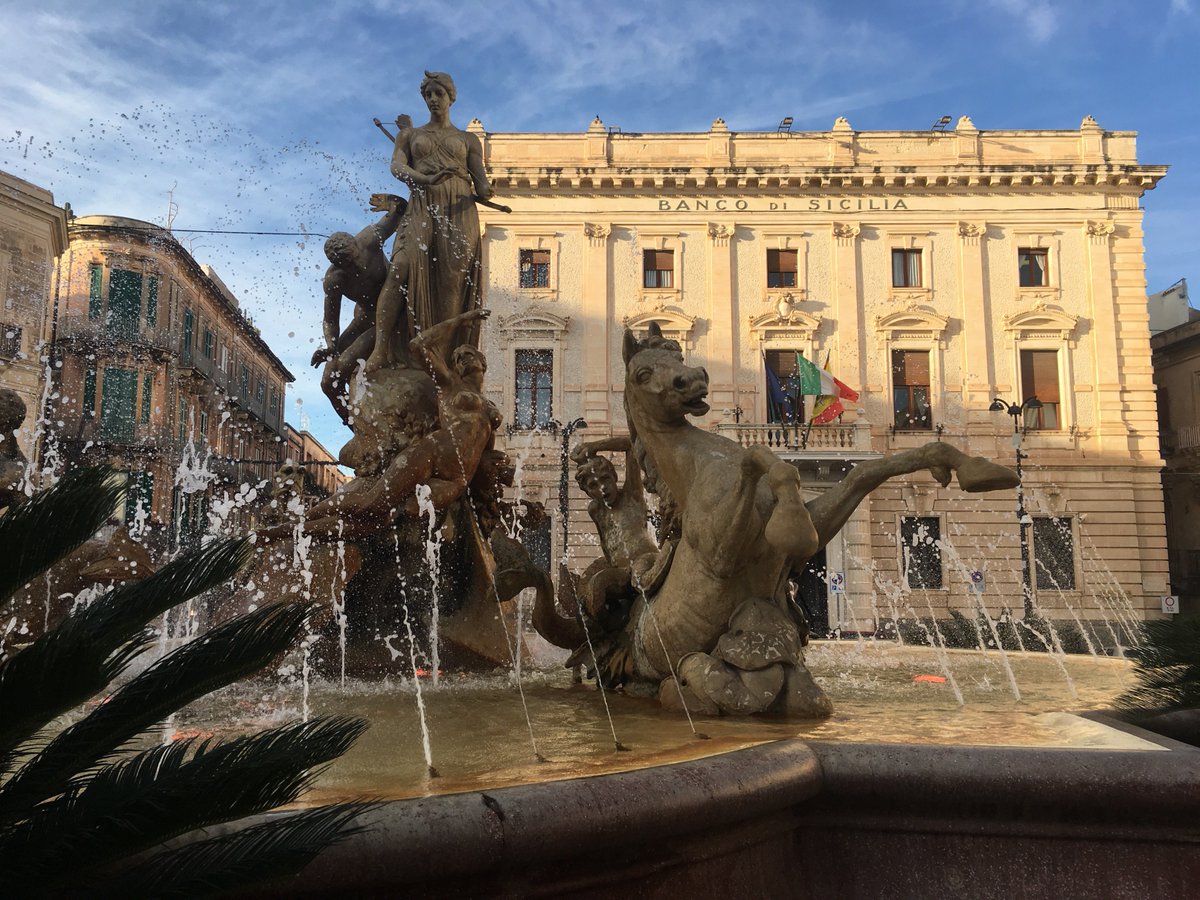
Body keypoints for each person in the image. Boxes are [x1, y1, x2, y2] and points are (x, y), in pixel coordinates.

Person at [262, 307, 498, 541]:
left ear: (482, 361)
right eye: (457, 357)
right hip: (432, 452)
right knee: (371, 504)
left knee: (386, 519)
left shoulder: (489, 407)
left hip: (457, 478)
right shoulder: (450, 384)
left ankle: (297, 531)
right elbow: (418, 345)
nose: (462, 358)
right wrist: (460, 319)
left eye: (468, 354)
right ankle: (294, 525)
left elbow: (486, 453)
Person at [365, 71, 493, 373]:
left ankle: (442, 357)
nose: (434, 99)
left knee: (453, 283)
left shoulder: (468, 139)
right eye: (429, 95)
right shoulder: (410, 135)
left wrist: (487, 191)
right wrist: (424, 178)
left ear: (451, 97)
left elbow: (481, 181)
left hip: (459, 208)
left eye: (439, 93)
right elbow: (397, 167)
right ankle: (382, 350)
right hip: (423, 204)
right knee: (400, 268)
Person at [311, 193, 408, 421]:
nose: (356, 266)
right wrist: (330, 345)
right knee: (329, 379)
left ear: (356, 246)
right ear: (338, 265)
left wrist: (392, 204)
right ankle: (355, 424)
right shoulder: (335, 279)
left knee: (346, 362)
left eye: (356, 258)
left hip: (395, 309)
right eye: (349, 265)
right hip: (367, 317)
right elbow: (330, 319)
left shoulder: (369, 239)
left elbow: (401, 213)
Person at [570, 437, 665, 627]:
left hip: (646, 562)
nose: (602, 488)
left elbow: (631, 445)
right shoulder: (596, 511)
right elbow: (605, 542)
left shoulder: (632, 495)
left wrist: (595, 445)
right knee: (593, 593)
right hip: (621, 574)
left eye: (605, 479)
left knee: (637, 576)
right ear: (588, 492)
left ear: (614, 477)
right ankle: (612, 633)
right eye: (593, 485)